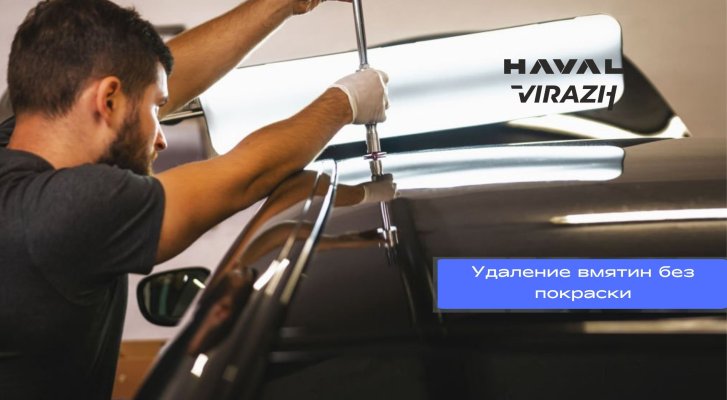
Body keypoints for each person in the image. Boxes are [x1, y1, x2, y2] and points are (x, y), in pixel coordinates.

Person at [0, 0, 388, 399]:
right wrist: (346, 102)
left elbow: (149, 76)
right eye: (158, 109)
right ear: (108, 100)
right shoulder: (65, 210)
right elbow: (245, 175)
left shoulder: (13, 153)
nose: (161, 138)